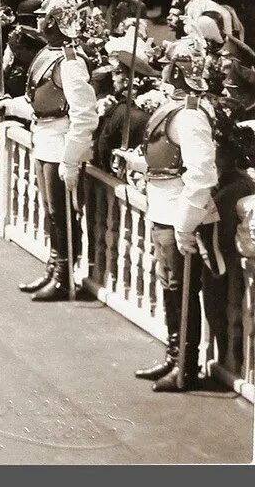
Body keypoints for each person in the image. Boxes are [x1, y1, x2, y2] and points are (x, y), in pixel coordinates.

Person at [118, 37, 219, 393]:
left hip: (179, 211)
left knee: (182, 290)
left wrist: (186, 223)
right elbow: (165, 159)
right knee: (170, 287)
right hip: (163, 205)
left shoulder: (190, 116)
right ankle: (173, 354)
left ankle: (185, 367)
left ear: (176, 70)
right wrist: (136, 161)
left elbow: (202, 172)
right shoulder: (176, 109)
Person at [0, 0, 98, 300]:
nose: (40, 20)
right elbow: (37, 103)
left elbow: (83, 114)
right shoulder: (47, 54)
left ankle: (65, 275)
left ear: (53, 22)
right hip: (43, 135)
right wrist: (11, 107)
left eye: (44, 17)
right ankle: (54, 268)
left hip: (60, 141)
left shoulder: (71, 63)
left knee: (60, 212)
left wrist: (70, 158)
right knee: (50, 210)